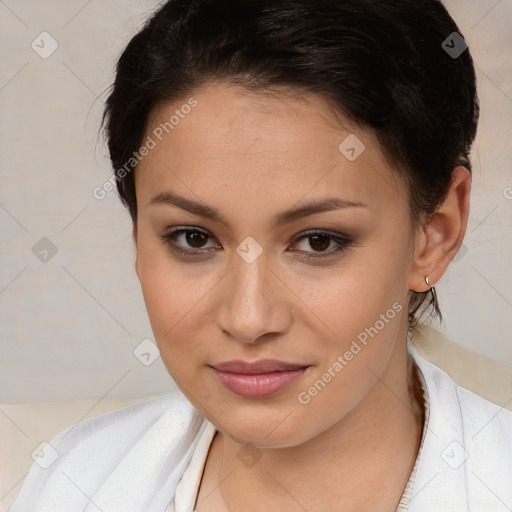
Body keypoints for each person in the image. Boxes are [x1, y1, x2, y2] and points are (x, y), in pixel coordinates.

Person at [11, 0, 512, 511]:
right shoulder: (73, 483)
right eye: (193, 238)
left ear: (436, 233)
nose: (249, 319)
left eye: (319, 241)